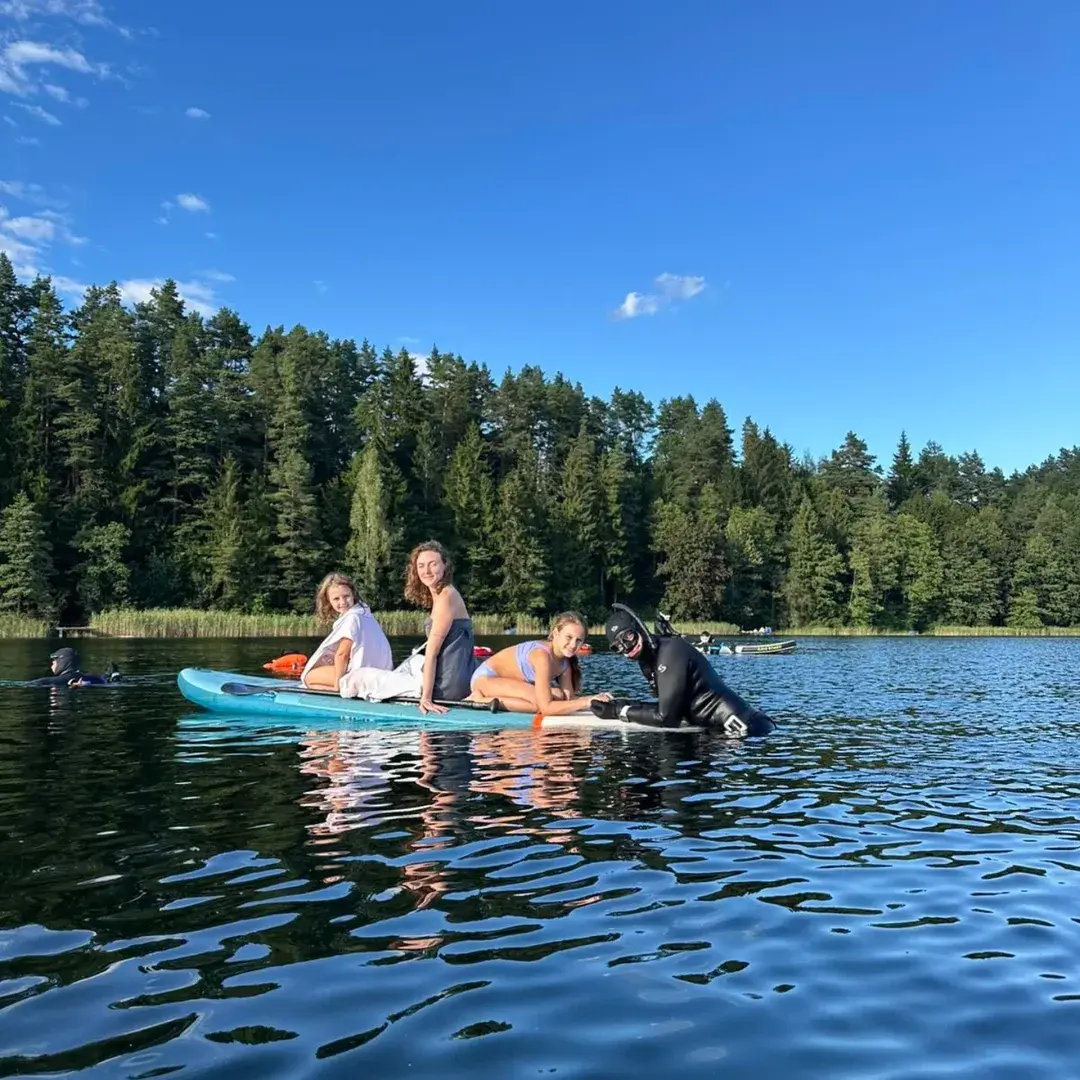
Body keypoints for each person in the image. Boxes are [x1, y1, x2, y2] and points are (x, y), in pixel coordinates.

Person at [594, 603, 774, 734]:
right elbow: (670, 706)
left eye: (628, 637)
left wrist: (618, 712)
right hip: (720, 733)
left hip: (750, 731)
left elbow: (667, 718)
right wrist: (625, 704)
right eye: (618, 647)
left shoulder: (671, 651)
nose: (627, 647)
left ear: (639, 628)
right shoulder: (647, 661)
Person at [468, 611, 611, 716]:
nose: (573, 645)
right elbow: (546, 708)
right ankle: (480, 700)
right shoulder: (542, 656)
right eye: (569, 637)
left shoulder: (565, 663)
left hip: (508, 682)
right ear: (556, 633)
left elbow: (569, 698)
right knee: (537, 705)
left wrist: (596, 700)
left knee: (559, 695)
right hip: (486, 679)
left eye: (579, 640)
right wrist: (586, 702)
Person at [403, 541, 476, 714]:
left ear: (445, 566)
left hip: (446, 685)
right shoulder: (441, 593)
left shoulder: (446, 596)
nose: (426, 571)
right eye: (421, 566)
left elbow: (432, 652)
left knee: (368, 678)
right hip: (459, 673)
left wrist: (426, 698)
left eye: (433, 564)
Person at [300, 573, 393, 691]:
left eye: (346, 596)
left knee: (309, 677)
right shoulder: (366, 615)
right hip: (381, 675)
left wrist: (337, 685)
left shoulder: (352, 619)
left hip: (362, 678)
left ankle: (339, 690)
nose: (343, 602)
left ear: (353, 594)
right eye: (336, 599)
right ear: (329, 601)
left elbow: (342, 654)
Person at [28, 648, 121, 687]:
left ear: (63, 661)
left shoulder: (51, 680)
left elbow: (37, 683)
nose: (52, 663)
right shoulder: (96, 678)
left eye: (55, 659)